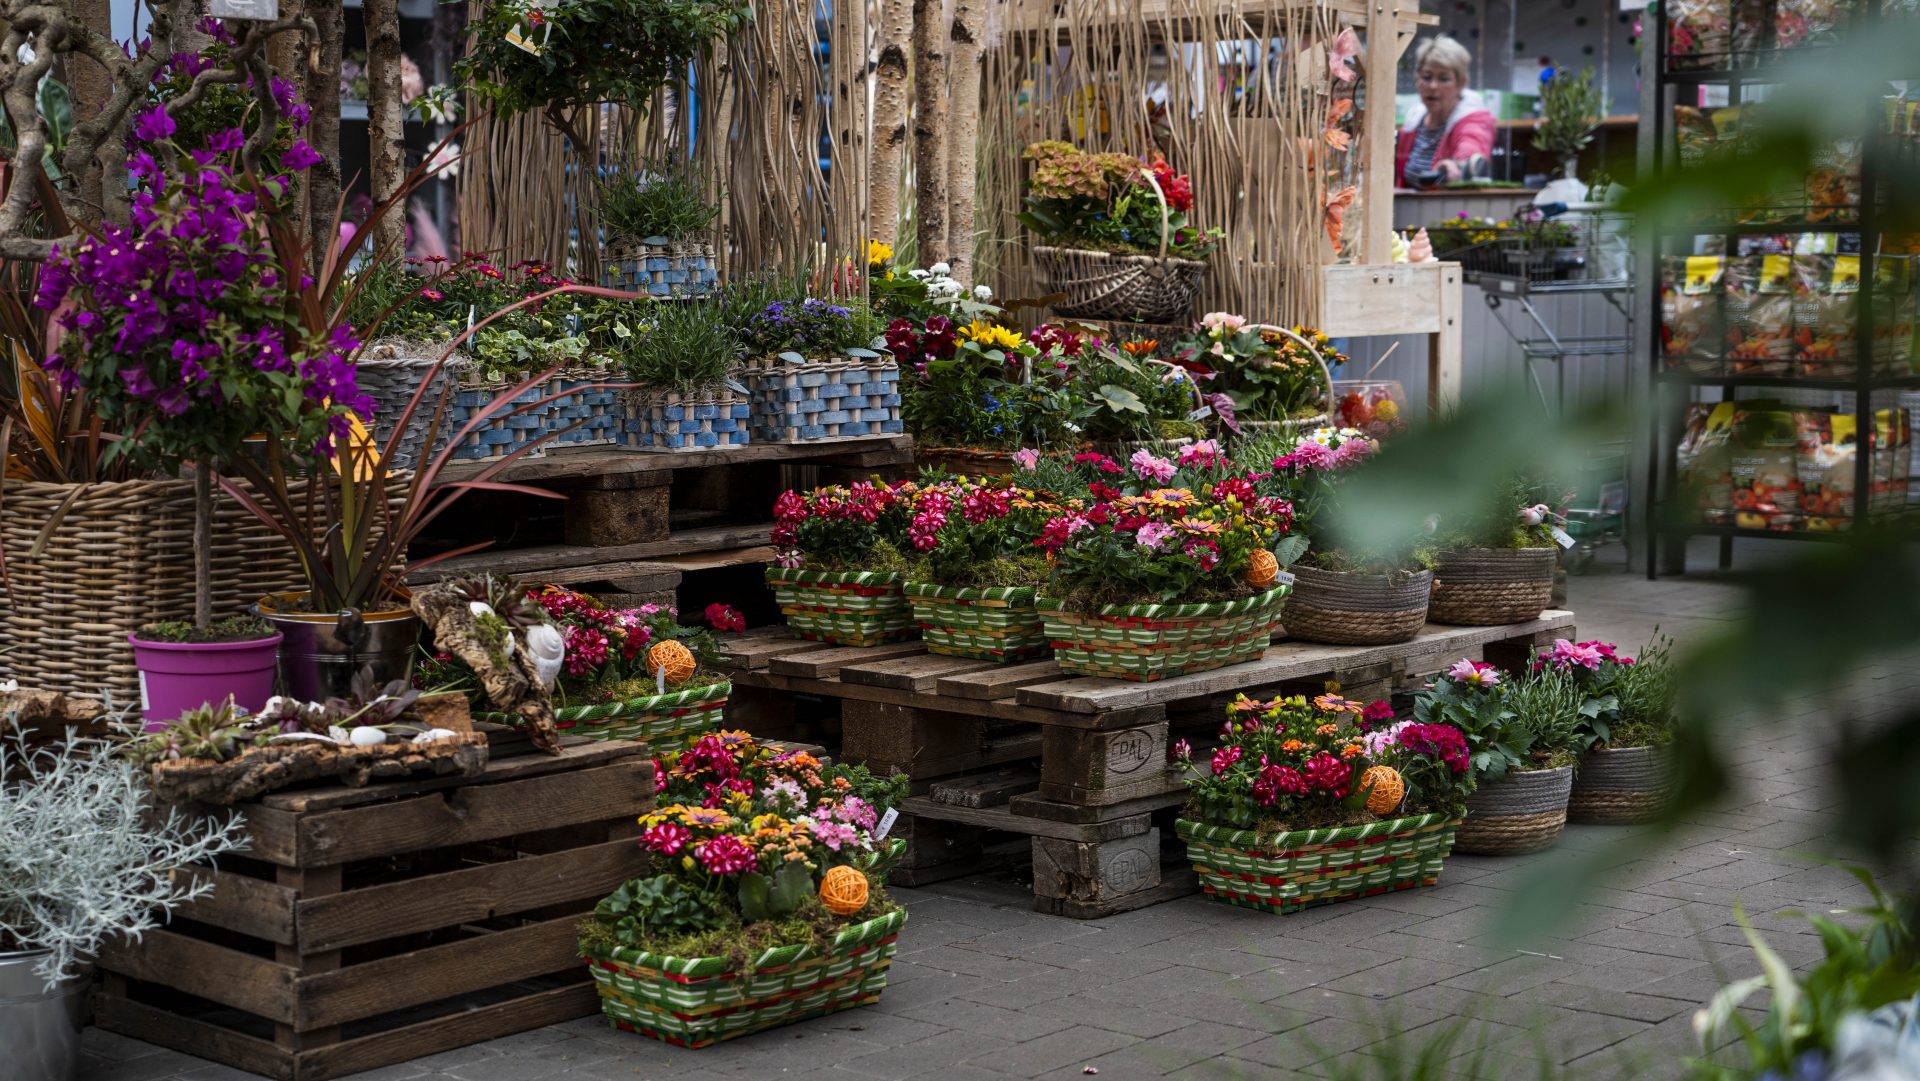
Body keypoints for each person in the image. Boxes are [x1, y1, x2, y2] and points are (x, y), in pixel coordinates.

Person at [1395, 35, 1496, 190]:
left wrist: (1457, 166)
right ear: (1417, 79)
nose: (1433, 86)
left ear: (1461, 83)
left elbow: (1472, 147)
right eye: (1427, 77)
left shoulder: (1474, 120)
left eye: (1443, 78)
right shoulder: (1413, 121)